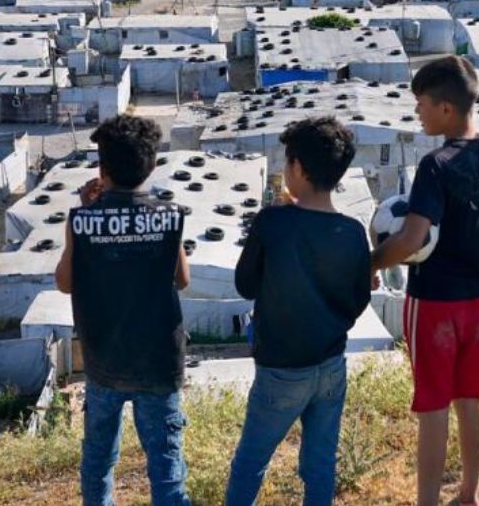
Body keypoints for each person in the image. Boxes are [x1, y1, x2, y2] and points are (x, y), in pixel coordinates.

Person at [372, 55, 479, 506]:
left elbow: (413, 237)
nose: (417, 112)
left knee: (433, 406)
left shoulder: (435, 166)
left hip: (433, 300)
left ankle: (428, 503)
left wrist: (370, 262)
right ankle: (470, 493)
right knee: (471, 398)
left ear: (446, 110)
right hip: (478, 299)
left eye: (421, 104)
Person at [224, 117, 372, 506]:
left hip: (281, 369)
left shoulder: (273, 222)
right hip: (331, 364)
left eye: (286, 162)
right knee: (321, 464)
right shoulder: (353, 231)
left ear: (299, 169)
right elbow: (358, 301)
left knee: (252, 459)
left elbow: (246, 285)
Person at [56, 115, 192, 506]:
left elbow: (65, 282)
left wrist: (87, 211)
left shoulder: (81, 220)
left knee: (99, 461)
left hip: (104, 362)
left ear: (102, 168)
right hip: (158, 362)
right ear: (151, 166)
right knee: (166, 467)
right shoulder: (170, 216)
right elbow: (181, 279)